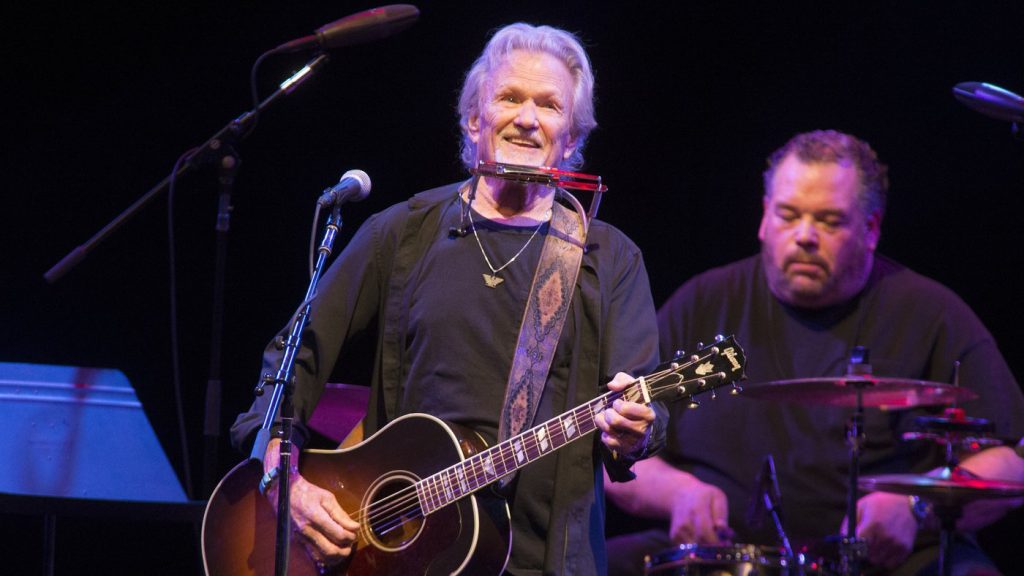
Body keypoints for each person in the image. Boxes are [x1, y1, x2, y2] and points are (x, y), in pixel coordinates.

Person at [230, 23, 666, 575]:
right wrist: (281, 475)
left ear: (572, 136)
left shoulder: (609, 257)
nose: (528, 119)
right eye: (510, 97)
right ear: (474, 119)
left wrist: (638, 427)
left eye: (550, 106)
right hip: (392, 554)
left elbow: (644, 412)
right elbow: (294, 360)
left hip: (543, 562)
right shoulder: (403, 232)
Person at [605, 130, 1024, 575]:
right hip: (726, 558)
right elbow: (614, 440)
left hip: (891, 561)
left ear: (871, 228)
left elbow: (1015, 461)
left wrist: (918, 505)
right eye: (788, 215)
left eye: (829, 221)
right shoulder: (703, 301)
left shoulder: (932, 314)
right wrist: (676, 494)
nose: (805, 235)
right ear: (764, 217)